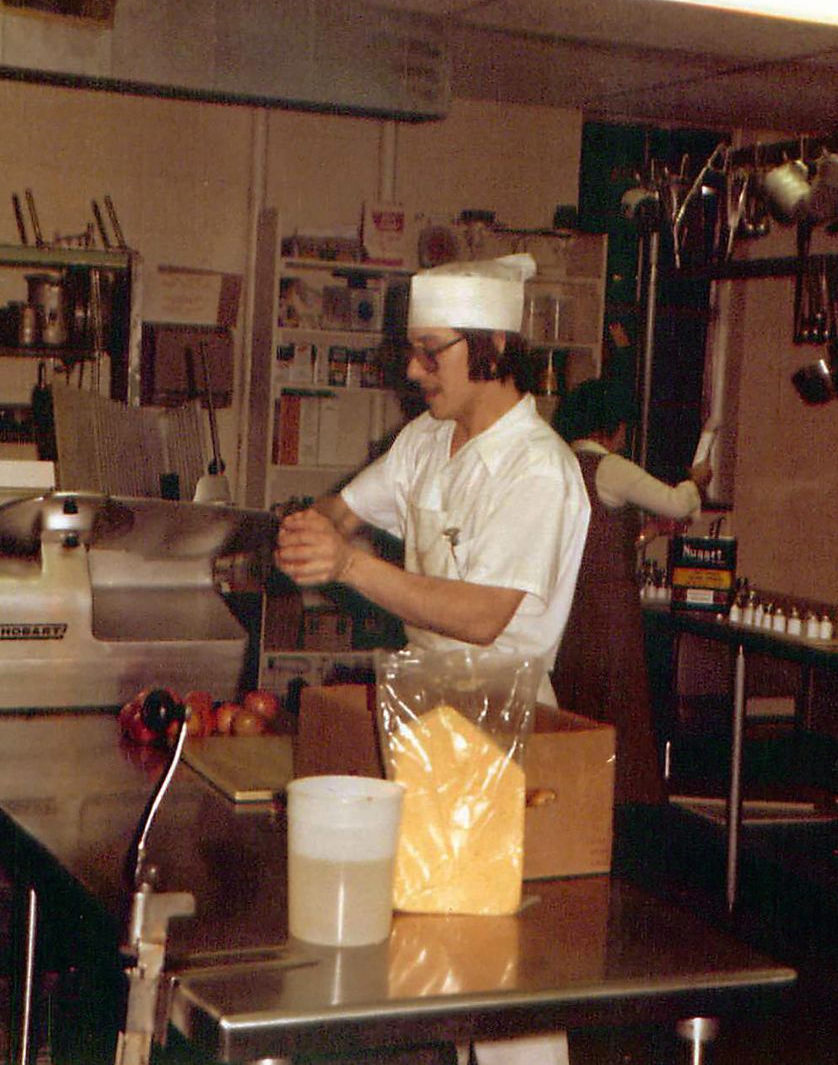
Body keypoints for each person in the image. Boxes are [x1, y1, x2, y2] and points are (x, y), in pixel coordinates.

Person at [276, 252, 590, 1065]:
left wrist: (348, 566)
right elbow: (344, 509)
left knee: (500, 971)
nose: (415, 370)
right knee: (426, 951)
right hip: (425, 709)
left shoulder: (538, 469)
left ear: (491, 347)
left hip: (503, 724)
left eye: (432, 351)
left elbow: (486, 616)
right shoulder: (428, 441)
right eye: (411, 352)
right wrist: (310, 533)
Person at [551, 371, 712, 807]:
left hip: (568, 601)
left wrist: (646, 534)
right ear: (612, 427)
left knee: (577, 699)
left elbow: (594, 534)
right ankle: (624, 802)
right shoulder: (609, 466)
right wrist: (694, 480)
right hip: (608, 603)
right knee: (619, 701)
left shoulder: (559, 463)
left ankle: (575, 797)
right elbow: (678, 502)